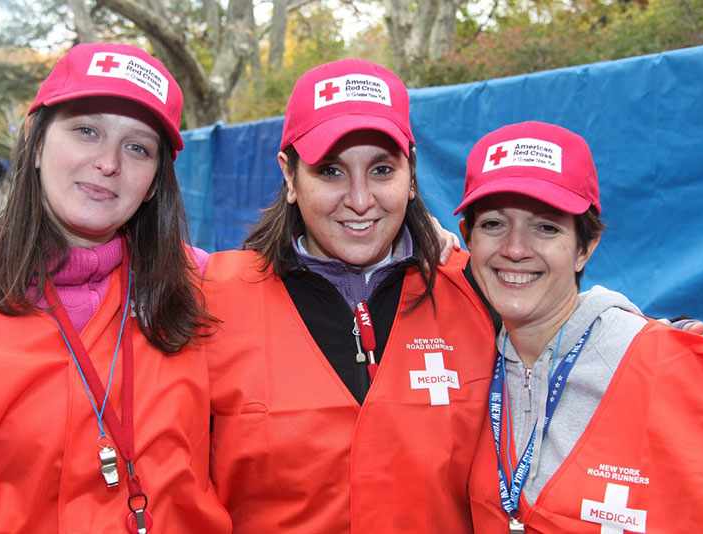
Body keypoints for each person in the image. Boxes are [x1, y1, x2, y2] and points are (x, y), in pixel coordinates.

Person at [0, 43, 231, 533]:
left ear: (156, 182)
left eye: (138, 147)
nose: (108, 163)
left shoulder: (204, 287)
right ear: (35, 146)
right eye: (86, 131)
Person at [203, 58, 497, 532]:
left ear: (412, 173)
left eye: (382, 170)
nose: (360, 200)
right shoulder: (213, 301)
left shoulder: (477, 295)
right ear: (290, 176)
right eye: (331, 172)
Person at [455, 121, 703, 533]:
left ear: (584, 248)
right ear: (468, 239)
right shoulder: (462, 368)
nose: (515, 250)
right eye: (493, 225)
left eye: (546, 227)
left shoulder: (678, 374)